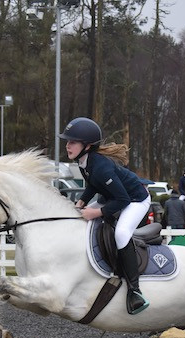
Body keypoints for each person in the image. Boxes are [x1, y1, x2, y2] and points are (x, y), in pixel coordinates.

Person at [59, 117, 150, 315]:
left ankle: (135, 291)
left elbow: (123, 199)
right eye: (67, 141)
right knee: (77, 218)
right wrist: (82, 202)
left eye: (72, 142)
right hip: (111, 197)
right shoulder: (85, 162)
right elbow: (93, 185)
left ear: (87, 145)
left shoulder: (101, 166)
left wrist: (96, 212)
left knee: (122, 233)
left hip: (135, 200)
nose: (68, 145)